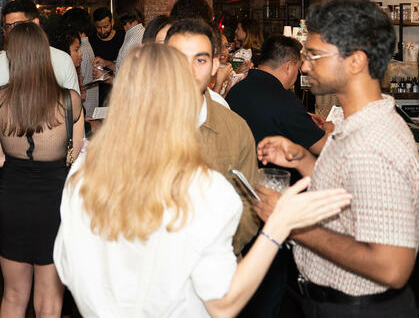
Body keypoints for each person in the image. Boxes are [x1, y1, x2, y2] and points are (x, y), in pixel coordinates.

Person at [54, 43, 351, 318]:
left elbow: (68, 269)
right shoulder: (202, 188)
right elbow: (223, 303)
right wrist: (278, 226)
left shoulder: (82, 177)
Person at [256, 0, 419, 318]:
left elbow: (391, 266)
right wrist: (302, 158)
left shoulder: (374, 142)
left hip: (359, 309)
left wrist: (291, 224)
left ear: (356, 61)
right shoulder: (355, 124)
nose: (304, 66)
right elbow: (350, 197)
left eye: (315, 55)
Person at [226, 33, 328, 318]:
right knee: (273, 284)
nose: (297, 77)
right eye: (297, 70)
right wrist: (330, 129)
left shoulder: (236, 91)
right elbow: (321, 147)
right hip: (274, 201)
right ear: (289, 67)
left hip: (239, 196)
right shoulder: (283, 99)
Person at [0, 22, 84, 318]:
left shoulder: (0, 100)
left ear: (14, 56)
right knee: (49, 302)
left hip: (10, 201)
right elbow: (77, 156)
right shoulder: (69, 101)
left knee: (12, 296)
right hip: (55, 203)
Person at [166, 19, 259, 254]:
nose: (189, 70)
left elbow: (248, 206)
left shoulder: (235, 129)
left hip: (218, 271)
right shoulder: (137, 124)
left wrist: (219, 250)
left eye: (200, 60)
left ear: (215, 64)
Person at [0, 0, 79, 93]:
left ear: (35, 23)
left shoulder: (62, 60)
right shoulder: (2, 61)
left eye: (18, 25)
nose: (13, 32)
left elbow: (72, 104)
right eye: (8, 26)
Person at [62, 7, 98, 117]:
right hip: (89, 106)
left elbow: (78, 79)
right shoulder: (87, 44)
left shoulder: (80, 47)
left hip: (85, 109)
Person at [89, 7, 124, 106]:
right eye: (98, 27)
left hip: (119, 91)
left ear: (112, 22)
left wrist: (106, 63)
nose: (102, 31)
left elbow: (126, 66)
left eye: (105, 26)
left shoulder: (122, 37)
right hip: (98, 94)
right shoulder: (91, 41)